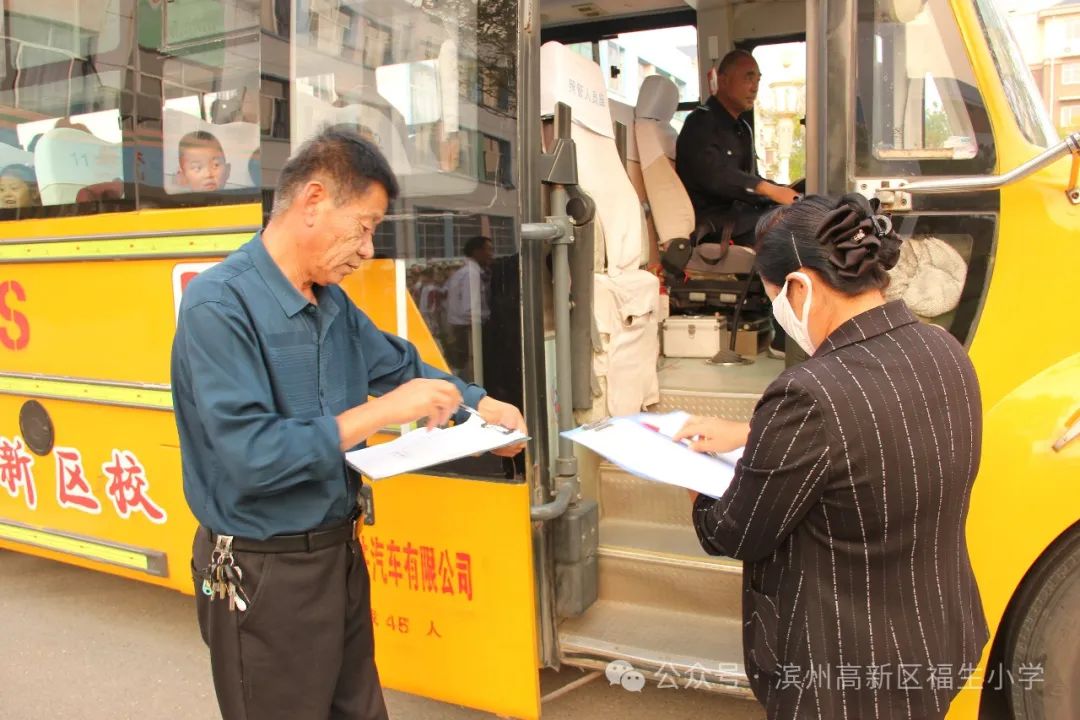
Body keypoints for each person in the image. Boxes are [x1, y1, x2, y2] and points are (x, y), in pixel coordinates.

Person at [171, 125, 526, 720]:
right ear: (313, 201)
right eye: (363, 227)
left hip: (339, 556)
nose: (367, 250)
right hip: (264, 573)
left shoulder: (330, 301)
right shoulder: (219, 306)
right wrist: (384, 413)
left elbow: (398, 364)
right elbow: (251, 454)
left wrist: (480, 409)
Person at [675, 194, 988, 719]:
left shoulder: (808, 392)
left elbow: (732, 531)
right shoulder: (943, 349)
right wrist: (754, 434)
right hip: (939, 636)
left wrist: (687, 470)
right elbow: (874, 437)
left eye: (774, 296)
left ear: (799, 287)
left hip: (845, 678)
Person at [675, 50, 799, 248]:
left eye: (758, 80)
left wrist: (785, 192)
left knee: (807, 213)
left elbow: (751, 176)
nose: (754, 88)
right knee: (797, 228)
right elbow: (715, 177)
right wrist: (769, 190)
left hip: (744, 216)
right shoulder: (700, 123)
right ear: (723, 81)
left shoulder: (743, 128)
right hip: (717, 224)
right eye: (748, 78)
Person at [445, 235, 494, 379]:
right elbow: (469, 309)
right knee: (470, 373)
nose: (491, 254)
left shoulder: (466, 272)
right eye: (488, 250)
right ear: (477, 251)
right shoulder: (470, 274)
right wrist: (489, 316)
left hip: (464, 330)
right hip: (468, 331)